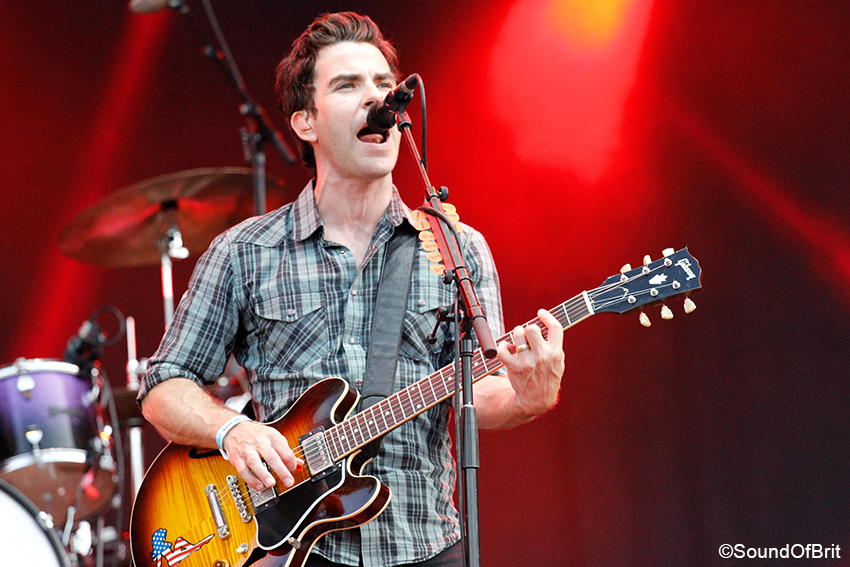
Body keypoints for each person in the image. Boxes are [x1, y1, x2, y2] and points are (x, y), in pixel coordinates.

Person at [139, 11, 565, 567]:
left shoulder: (457, 248)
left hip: (425, 545)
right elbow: (163, 386)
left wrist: (529, 398)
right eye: (347, 85)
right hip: (294, 550)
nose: (376, 97)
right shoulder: (244, 252)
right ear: (305, 123)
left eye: (384, 83)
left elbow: (477, 395)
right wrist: (232, 430)